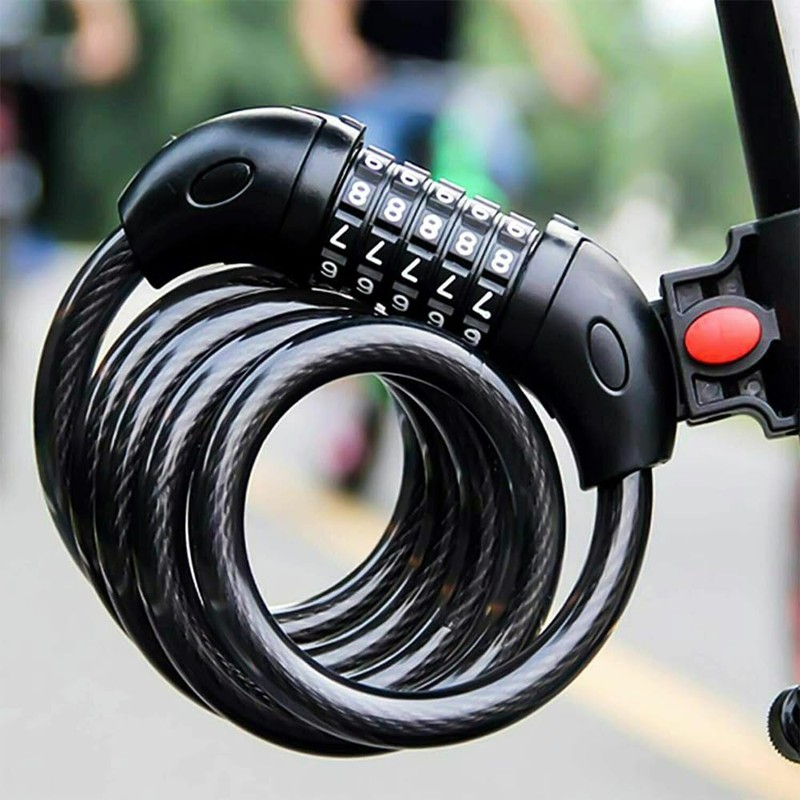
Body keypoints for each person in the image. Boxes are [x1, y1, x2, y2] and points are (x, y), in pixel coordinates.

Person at [292, 0, 604, 492]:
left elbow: (530, 9)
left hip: (448, 88)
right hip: (381, 83)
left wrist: (564, 62)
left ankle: (482, 279)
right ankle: (346, 399)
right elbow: (321, 15)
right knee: (357, 186)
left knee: (500, 156)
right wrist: (339, 56)